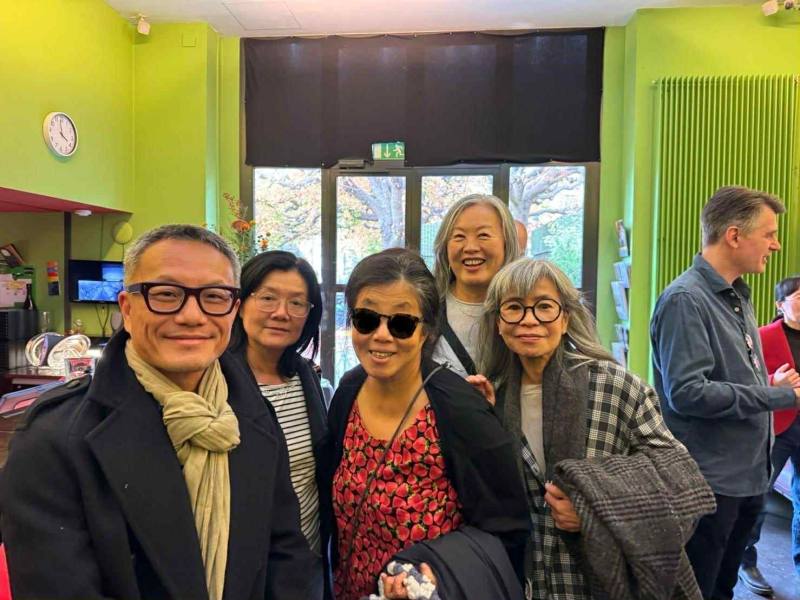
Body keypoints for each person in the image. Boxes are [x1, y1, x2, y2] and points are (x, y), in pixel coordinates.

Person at [0, 225, 317, 600]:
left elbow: (284, 552)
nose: (192, 316)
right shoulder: (53, 441)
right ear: (127, 308)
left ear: (232, 310)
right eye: (166, 294)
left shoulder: (252, 416)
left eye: (214, 296)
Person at [481, 258, 708, 600]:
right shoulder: (492, 397)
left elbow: (682, 484)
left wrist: (594, 513)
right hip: (523, 580)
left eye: (544, 306)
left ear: (566, 318)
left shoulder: (619, 388)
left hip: (600, 583)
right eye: (513, 307)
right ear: (498, 322)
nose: (529, 319)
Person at [327, 248, 529, 600]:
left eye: (402, 323)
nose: (382, 335)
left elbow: (506, 529)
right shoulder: (347, 392)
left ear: (426, 332)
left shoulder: (460, 410)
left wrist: (439, 577)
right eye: (366, 319)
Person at [651, 186, 800, 600]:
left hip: (747, 477)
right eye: (769, 234)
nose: (776, 244)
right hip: (711, 482)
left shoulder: (737, 297)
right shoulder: (686, 300)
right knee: (698, 590)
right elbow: (688, 393)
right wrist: (776, 395)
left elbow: (731, 378)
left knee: (722, 588)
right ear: (734, 235)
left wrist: (767, 386)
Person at [229, 250, 332, 597]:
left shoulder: (305, 377)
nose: (281, 313)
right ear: (240, 304)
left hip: (309, 562)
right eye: (268, 298)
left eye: (297, 303)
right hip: (247, 570)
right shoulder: (215, 381)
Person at [739, 275, 800, 596]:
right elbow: (744, 382)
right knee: (758, 498)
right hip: (776, 424)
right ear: (780, 304)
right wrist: (774, 382)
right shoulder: (762, 336)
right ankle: (745, 560)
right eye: (799, 297)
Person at [431, 194, 520, 377]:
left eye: (483, 235)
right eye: (459, 236)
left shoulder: (529, 313)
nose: (470, 247)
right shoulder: (426, 309)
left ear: (507, 243)